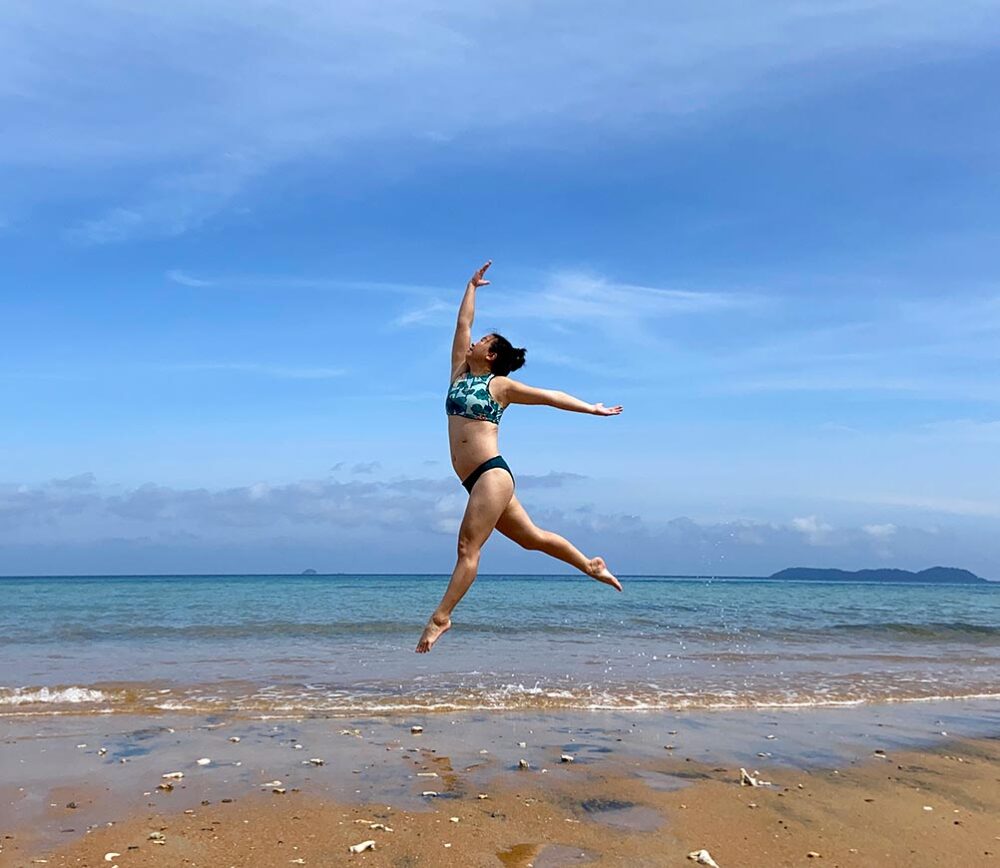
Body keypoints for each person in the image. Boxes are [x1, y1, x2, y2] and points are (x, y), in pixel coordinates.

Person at [416, 260, 624, 653]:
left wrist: (591, 409)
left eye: (483, 342)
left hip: (491, 475)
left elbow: (551, 397)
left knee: (467, 549)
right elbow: (461, 327)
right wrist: (471, 287)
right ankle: (590, 565)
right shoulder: (460, 375)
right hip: (476, 481)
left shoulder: (501, 386)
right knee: (531, 539)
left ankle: (441, 617)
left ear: (492, 355)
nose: (474, 342)